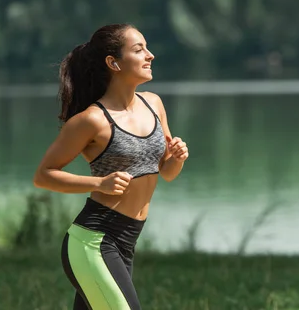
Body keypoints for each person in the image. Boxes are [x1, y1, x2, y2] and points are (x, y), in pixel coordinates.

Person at [33, 24, 189, 310]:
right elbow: (43, 175)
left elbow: (165, 173)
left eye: (147, 47)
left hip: (127, 241)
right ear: (113, 62)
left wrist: (175, 158)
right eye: (139, 49)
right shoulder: (91, 120)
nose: (150, 55)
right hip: (94, 241)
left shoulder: (154, 104)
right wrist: (98, 183)